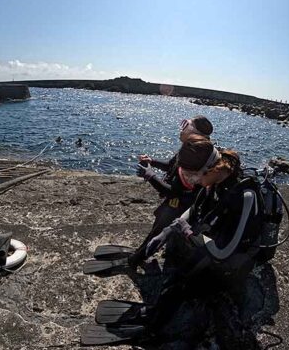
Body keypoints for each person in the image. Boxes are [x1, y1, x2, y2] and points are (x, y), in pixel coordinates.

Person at [81, 136, 264, 346]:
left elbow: (223, 252)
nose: (190, 181)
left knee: (180, 284)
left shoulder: (244, 196)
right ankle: (158, 308)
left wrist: (185, 231)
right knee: (178, 268)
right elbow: (194, 210)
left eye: (191, 176)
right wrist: (168, 230)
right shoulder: (213, 180)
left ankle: (154, 329)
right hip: (214, 241)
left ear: (210, 169)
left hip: (234, 260)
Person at [130, 115, 214, 268]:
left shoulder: (196, 153)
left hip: (184, 203)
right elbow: (171, 165)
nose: (181, 130)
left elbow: (173, 192)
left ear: (194, 132)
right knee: (160, 223)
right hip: (181, 198)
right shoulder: (194, 147)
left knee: (160, 228)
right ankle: (145, 251)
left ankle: (137, 258)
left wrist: (149, 175)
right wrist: (152, 162)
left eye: (185, 126)